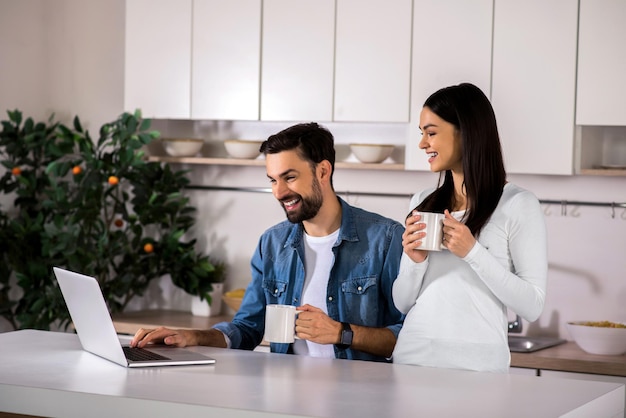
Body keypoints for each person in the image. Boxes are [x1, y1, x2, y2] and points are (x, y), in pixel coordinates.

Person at [131, 122, 405, 362]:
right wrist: (190, 336)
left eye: (290, 177)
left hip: (359, 397)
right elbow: (247, 329)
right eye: (273, 180)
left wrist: (341, 333)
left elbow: (406, 336)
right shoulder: (272, 244)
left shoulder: (385, 239)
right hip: (286, 394)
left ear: (322, 171)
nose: (279, 192)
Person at [391, 83, 547, 373]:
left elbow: (532, 306)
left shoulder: (518, 204)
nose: (422, 144)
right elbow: (402, 303)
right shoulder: (423, 202)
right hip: (413, 358)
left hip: (480, 367)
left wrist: (473, 252)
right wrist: (415, 262)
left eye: (431, 132)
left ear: (466, 132)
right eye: (422, 134)